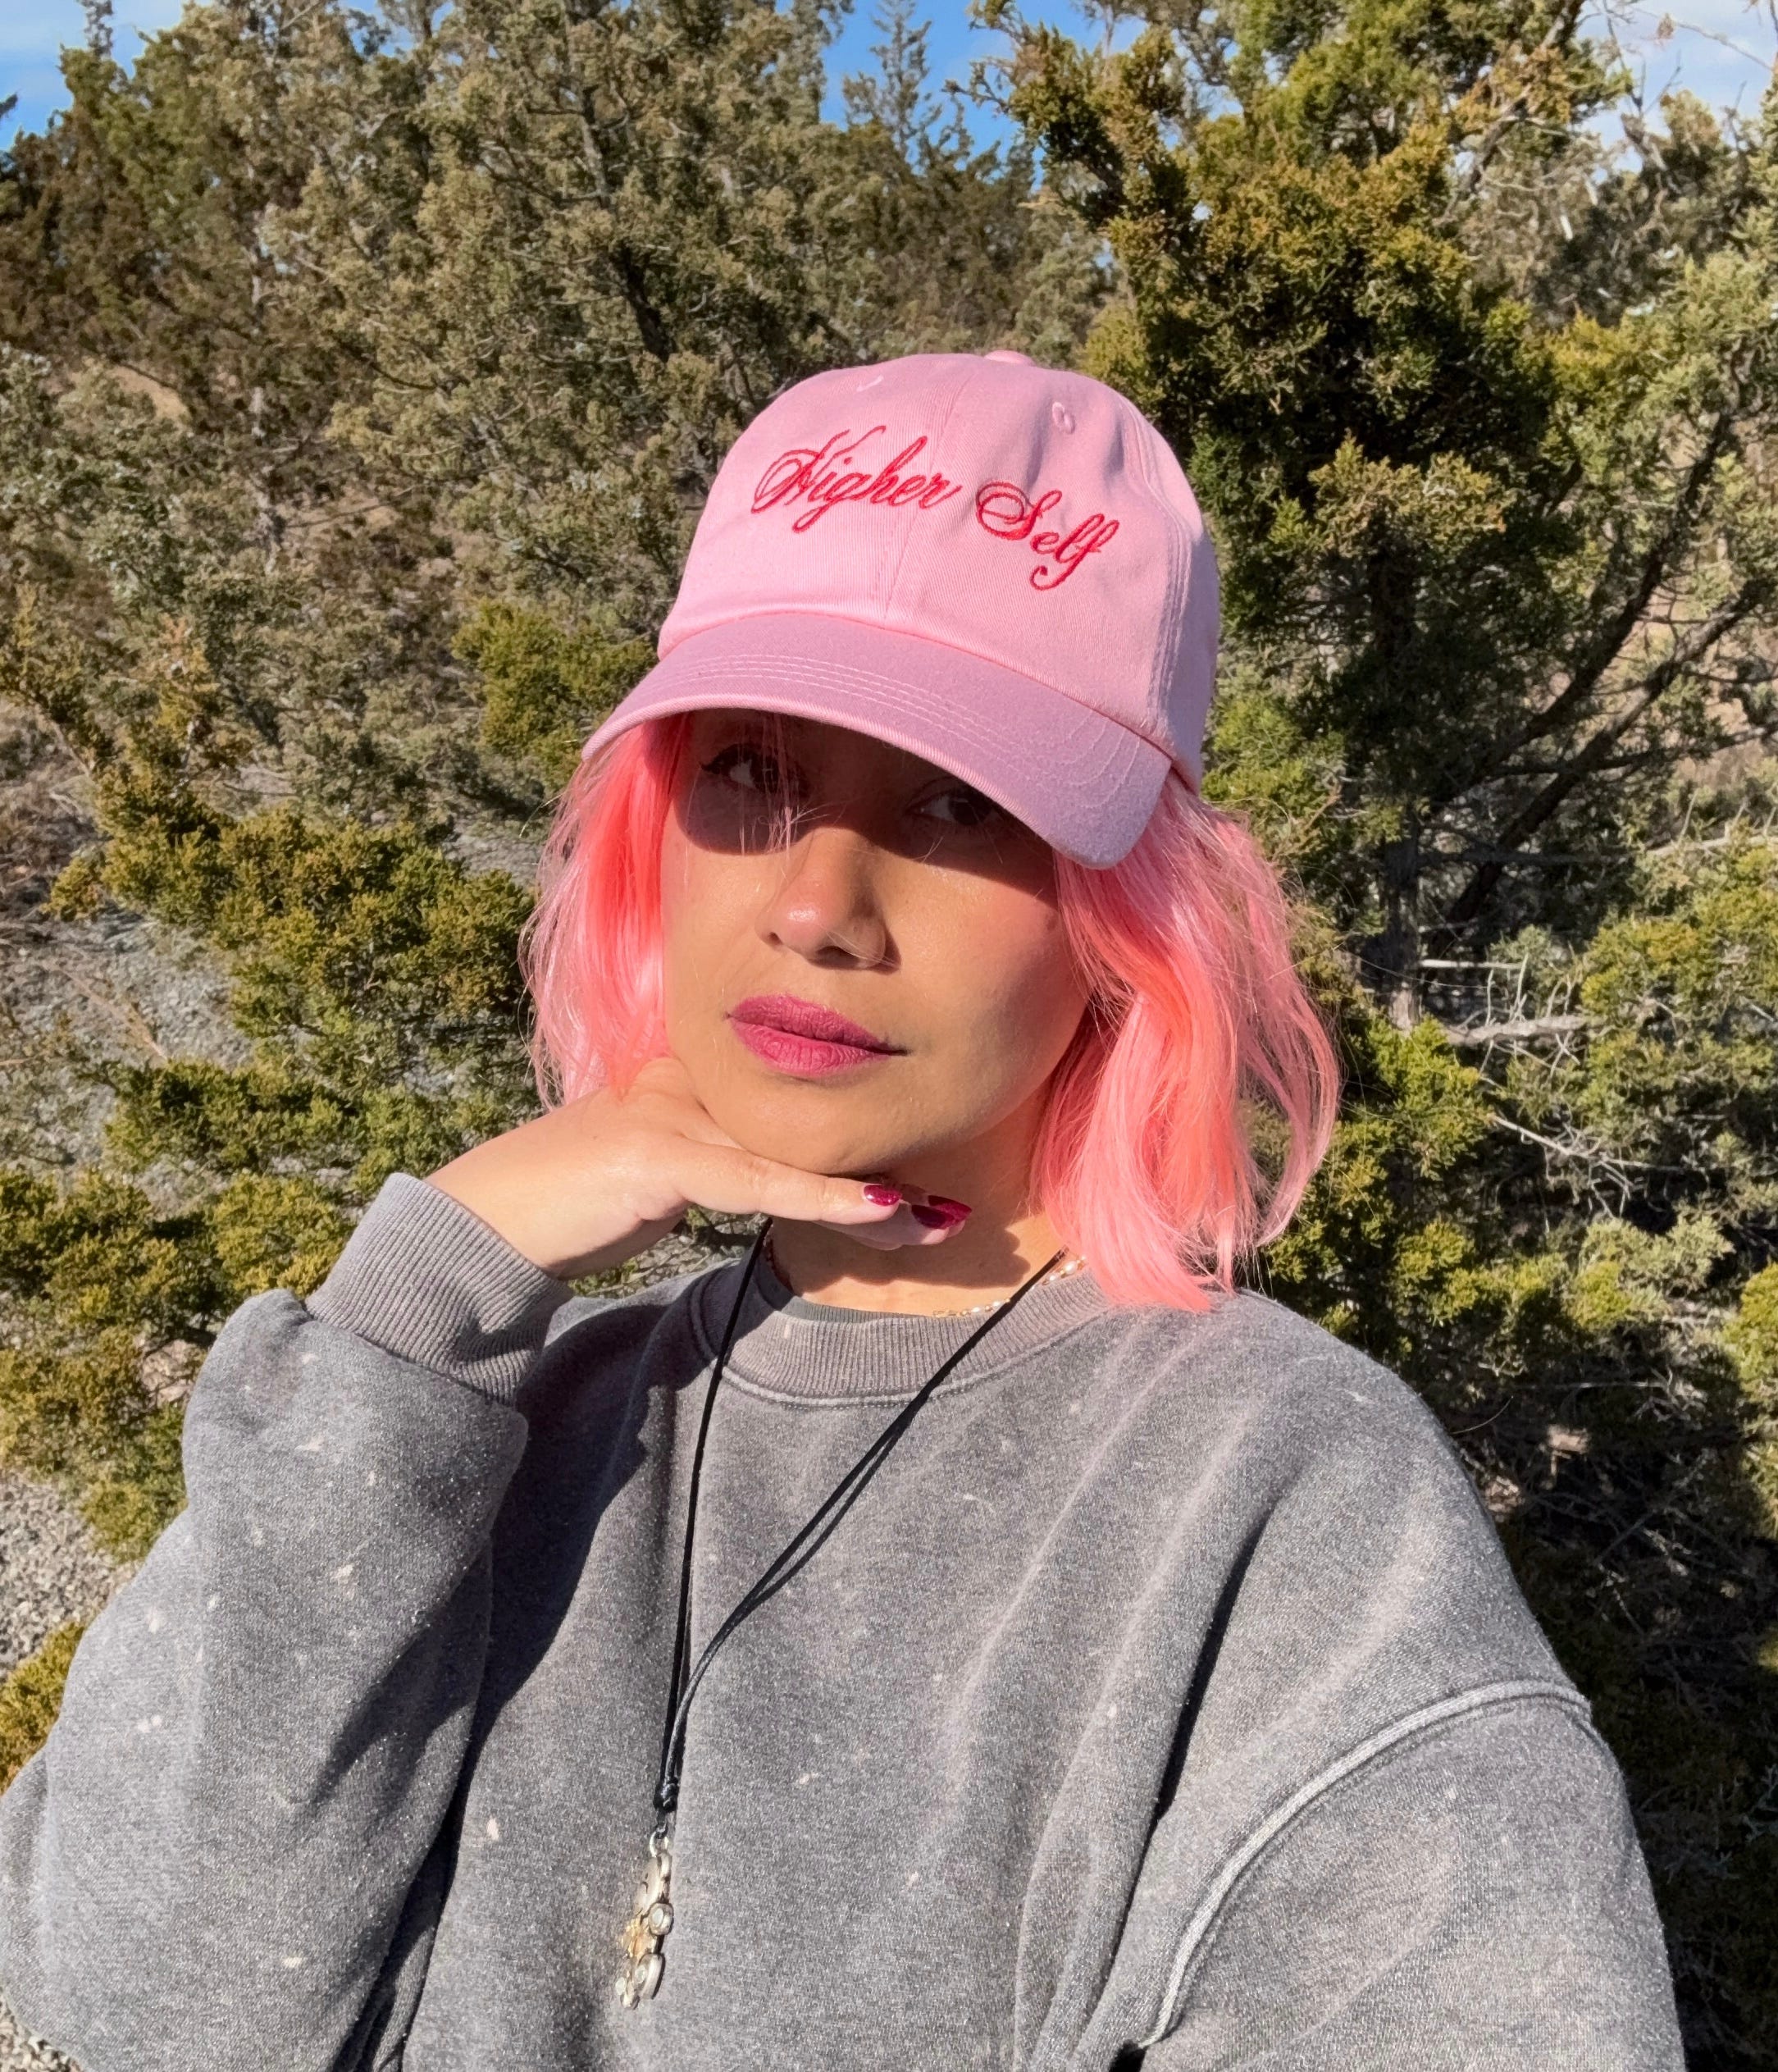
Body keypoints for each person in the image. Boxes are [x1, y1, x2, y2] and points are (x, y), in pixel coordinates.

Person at [0, 349, 1685, 2072]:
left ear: (1127, 912)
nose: (816, 902)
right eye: (748, 767)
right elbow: (149, 2003)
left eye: (959, 801)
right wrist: (426, 1292)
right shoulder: (505, 1420)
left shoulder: (1279, 1501)